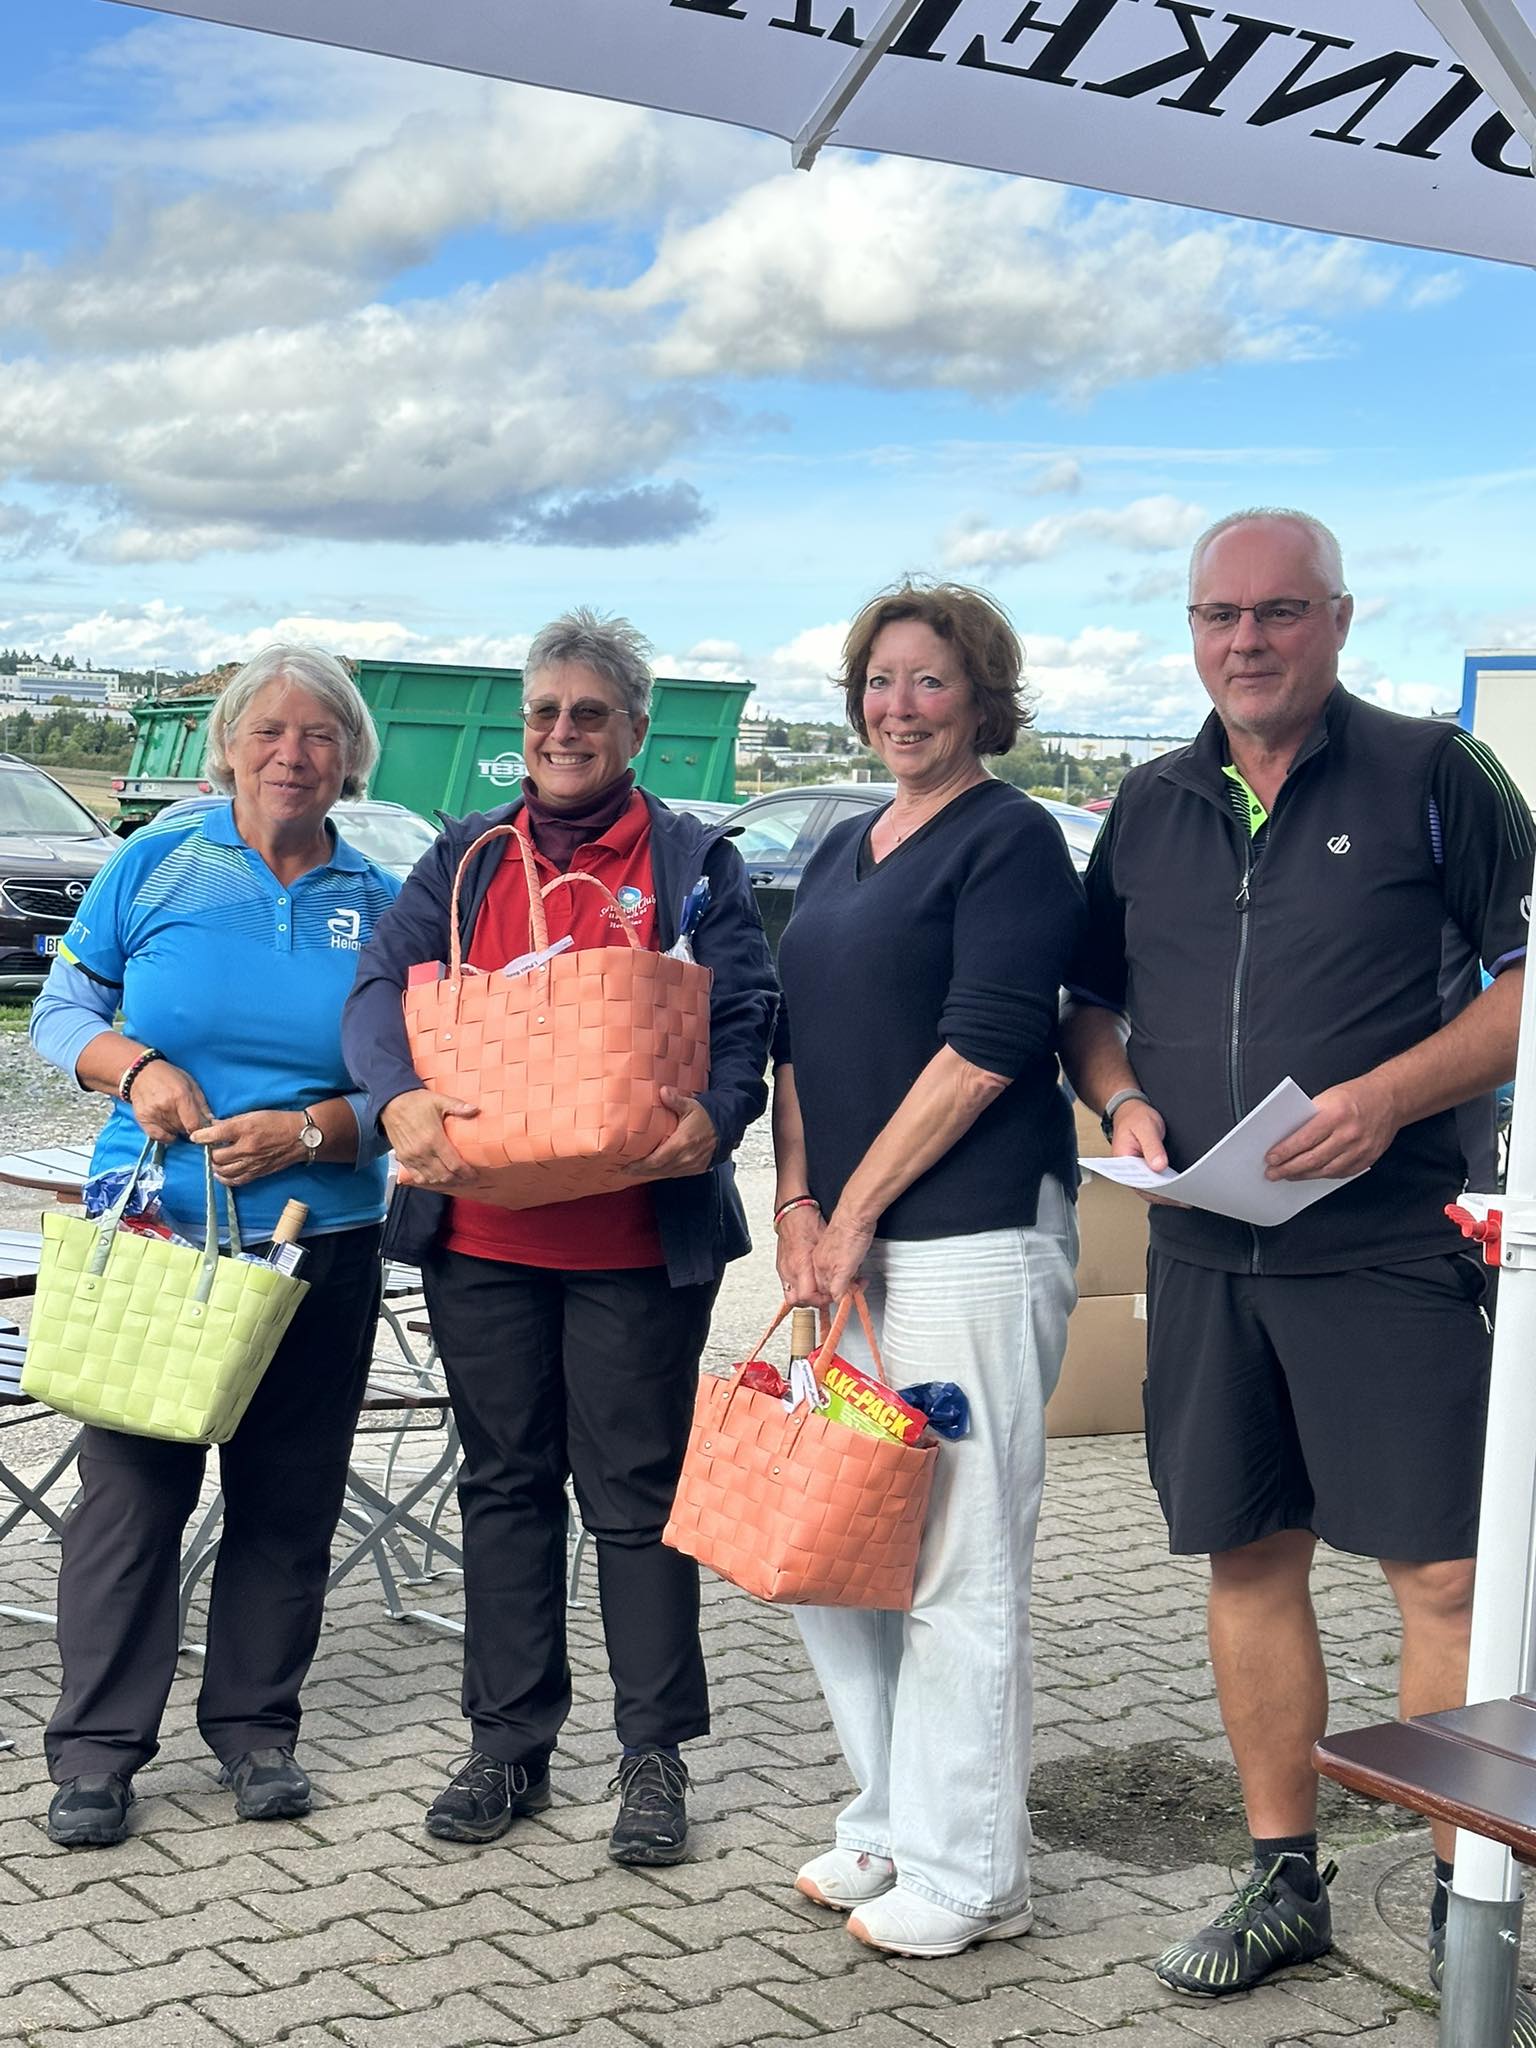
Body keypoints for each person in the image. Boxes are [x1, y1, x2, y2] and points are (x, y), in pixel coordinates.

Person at [1062, 508, 1533, 2016]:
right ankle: (1285, 1878)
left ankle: (1470, 1900)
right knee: (1249, 1553)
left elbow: (1527, 978)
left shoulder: (1435, 774)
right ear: (1192, 631)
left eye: (1279, 612)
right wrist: (1121, 1101)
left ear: (1338, 617)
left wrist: (1390, 1095)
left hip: (1387, 1243)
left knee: (1444, 1574)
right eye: (1222, 616)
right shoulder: (1149, 802)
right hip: (1205, 1244)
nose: (1248, 641)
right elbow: (1088, 1002)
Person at [341, 608, 776, 1867]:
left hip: (635, 1240)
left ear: (635, 729)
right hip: (482, 1237)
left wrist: (716, 1112)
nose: (564, 731)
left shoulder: (691, 859)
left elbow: (748, 1008)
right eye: (545, 712)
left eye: (590, 712)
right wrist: (395, 1099)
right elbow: (378, 991)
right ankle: (508, 1743)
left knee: (636, 1496)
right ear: (521, 731)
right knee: (505, 1484)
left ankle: (654, 1753)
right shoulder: (466, 856)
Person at [30, 645, 401, 1848]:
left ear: (351, 757)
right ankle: (97, 1752)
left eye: (320, 734)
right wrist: (136, 1067)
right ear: (227, 747)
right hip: (157, 1238)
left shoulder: (384, 901)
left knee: (288, 1493)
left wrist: (315, 1130)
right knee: (131, 1497)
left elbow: (417, 1083)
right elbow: (61, 1011)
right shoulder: (157, 859)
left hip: (317, 1241)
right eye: (269, 731)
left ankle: (256, 1731)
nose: (293, 754)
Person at [771, 580, 1084, 1958]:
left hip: (969, 1242)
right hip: (845, 1251)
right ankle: (891, 1819)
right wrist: (797, 1204)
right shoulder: (846, 841)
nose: (900, 706)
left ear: (985, 700)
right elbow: (791, 1043)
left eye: (931, 681)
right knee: (839, 1544)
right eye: (880, 680)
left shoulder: (1011, 840)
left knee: (957, 1556)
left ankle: (973, 1873)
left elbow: (989, 1046)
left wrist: (853, 1214)